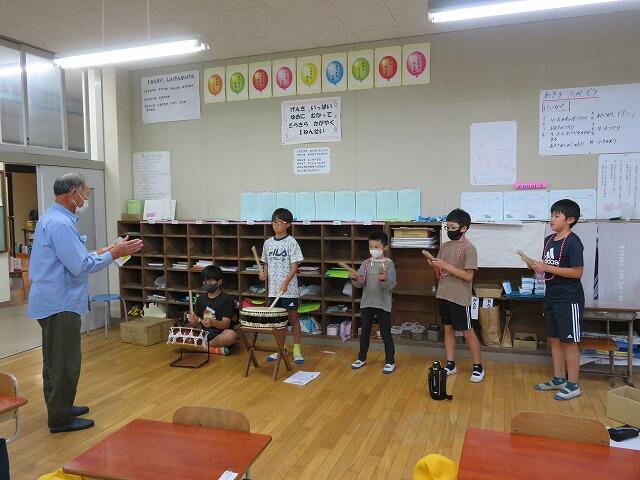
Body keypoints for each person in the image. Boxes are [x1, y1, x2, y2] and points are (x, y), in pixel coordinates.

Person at [28, 173, 143, 433]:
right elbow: (80, 266)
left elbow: (71, 257)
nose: (86, 199)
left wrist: (103, 252)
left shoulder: (55, 218)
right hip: (59, 303)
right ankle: (60, 418)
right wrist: (114, 254)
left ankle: (61, 406)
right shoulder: (60, 224)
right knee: (64, 362)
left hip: (54, 300)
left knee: (55, 359)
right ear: (73, 193)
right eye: (86, 194)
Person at [532, 199, 584, 400]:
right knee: (553, 339)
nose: (552, 219)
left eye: (557, 216)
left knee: (569, 341)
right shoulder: (548, 240)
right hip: (551, 296)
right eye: (551, 215)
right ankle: (559, 378)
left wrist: (547, 267)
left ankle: (573, 385)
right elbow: (548, 266)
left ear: (570, 220)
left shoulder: (573, 242)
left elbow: (577, 272)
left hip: (569, 298)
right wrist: (538, 266)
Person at [429, 208, 485, 383]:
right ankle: (451, 363)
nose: (449, 230)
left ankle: (478, 366)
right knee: (448, 330)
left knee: (468, 332)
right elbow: (441, 270)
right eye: (448, 227)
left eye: (453, 227)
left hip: (459, 298)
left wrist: (445, 266)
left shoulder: (469, 248)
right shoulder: (445, 246)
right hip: (443, 294)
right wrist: (435, 264)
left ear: (464, 228)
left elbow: (468, 276)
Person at [259, 208, 304, 364]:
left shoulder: (292, 242)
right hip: (273, 290)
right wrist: (263, 274)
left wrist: (285, 282)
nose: (275, 225)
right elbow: (266, 263)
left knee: (293, 319)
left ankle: (297, 350)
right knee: (279, 321)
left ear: (288, 224)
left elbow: (295, 267)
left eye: (279, 222)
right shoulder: (268, 243)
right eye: (274, 222)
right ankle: (281, 348)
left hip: (289, 290)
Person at [350, 231, 397, 374]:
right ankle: (361, 358)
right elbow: (360, 284)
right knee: (364, 333)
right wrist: (355, 278)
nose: (373, 250)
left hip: (383, 304)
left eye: (377, 247)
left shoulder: (388, 264)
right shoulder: (366, 263)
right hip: (367, 303)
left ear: (385, 247)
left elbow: (392, 285)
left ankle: (390, 361)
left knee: (385, 334)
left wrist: (384, 279)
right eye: (371, 247)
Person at [188, 265, 237, 355]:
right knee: (183, 335)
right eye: (205, 281)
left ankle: (202, 347)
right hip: (204, 334)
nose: (206, 284)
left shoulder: (227, 299)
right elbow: (196, 323)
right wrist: (193, 321)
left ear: (219, 282)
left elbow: (226, 324)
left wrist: (213, 322)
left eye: (210, 281)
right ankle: (213, 349)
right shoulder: (200, 299)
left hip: (220, 335)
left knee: (231, 335)